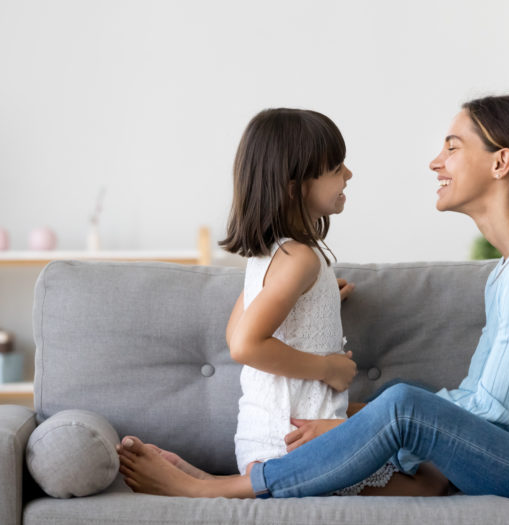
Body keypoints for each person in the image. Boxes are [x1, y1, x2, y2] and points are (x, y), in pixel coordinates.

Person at [118, 95, 509, 523]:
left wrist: (358, 427)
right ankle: (250, 475)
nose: (436, 161)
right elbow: (480, 400)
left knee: (403, 405)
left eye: (453, 147)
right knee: (401, 413)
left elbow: (489, 412)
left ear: (501, 162)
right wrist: (357, 421)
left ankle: (217, 488)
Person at [117, 108, 448, 498]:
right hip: (296, 443)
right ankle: (209, 488)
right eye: (337, 167)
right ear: (294, 187)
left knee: (413, 441)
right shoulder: (300, 260)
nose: (349, 175)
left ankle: (208, 479)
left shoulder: (271, 257)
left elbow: (235, 332)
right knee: (431, 481)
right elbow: (244, 345)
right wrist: (329, 368)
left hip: (271, 437)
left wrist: (318, 301)